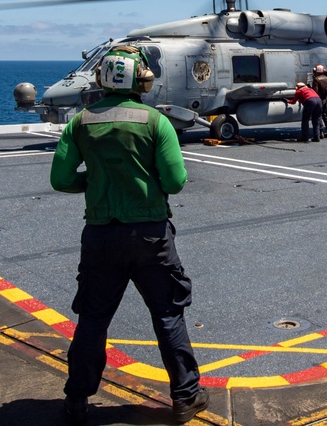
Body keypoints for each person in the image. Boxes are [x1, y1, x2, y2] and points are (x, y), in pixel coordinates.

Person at [49, 45, 209, 424]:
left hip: (101, 236)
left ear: (103, 79)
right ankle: (186, 397)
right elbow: (175, 181)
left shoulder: (80, 122)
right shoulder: (156, 121)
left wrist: (96, 181)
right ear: (142, 80)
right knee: (168, 315)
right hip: (151, 237)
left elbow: (61, 180)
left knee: (92, 320)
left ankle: (76, 400)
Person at [311, 64, 327, 138]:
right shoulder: (326, 78)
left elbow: (315, 91)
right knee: (325, 115)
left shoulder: (316, 80)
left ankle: (321, 132)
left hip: (319, 100)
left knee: (318, 116)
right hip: (325, 99)